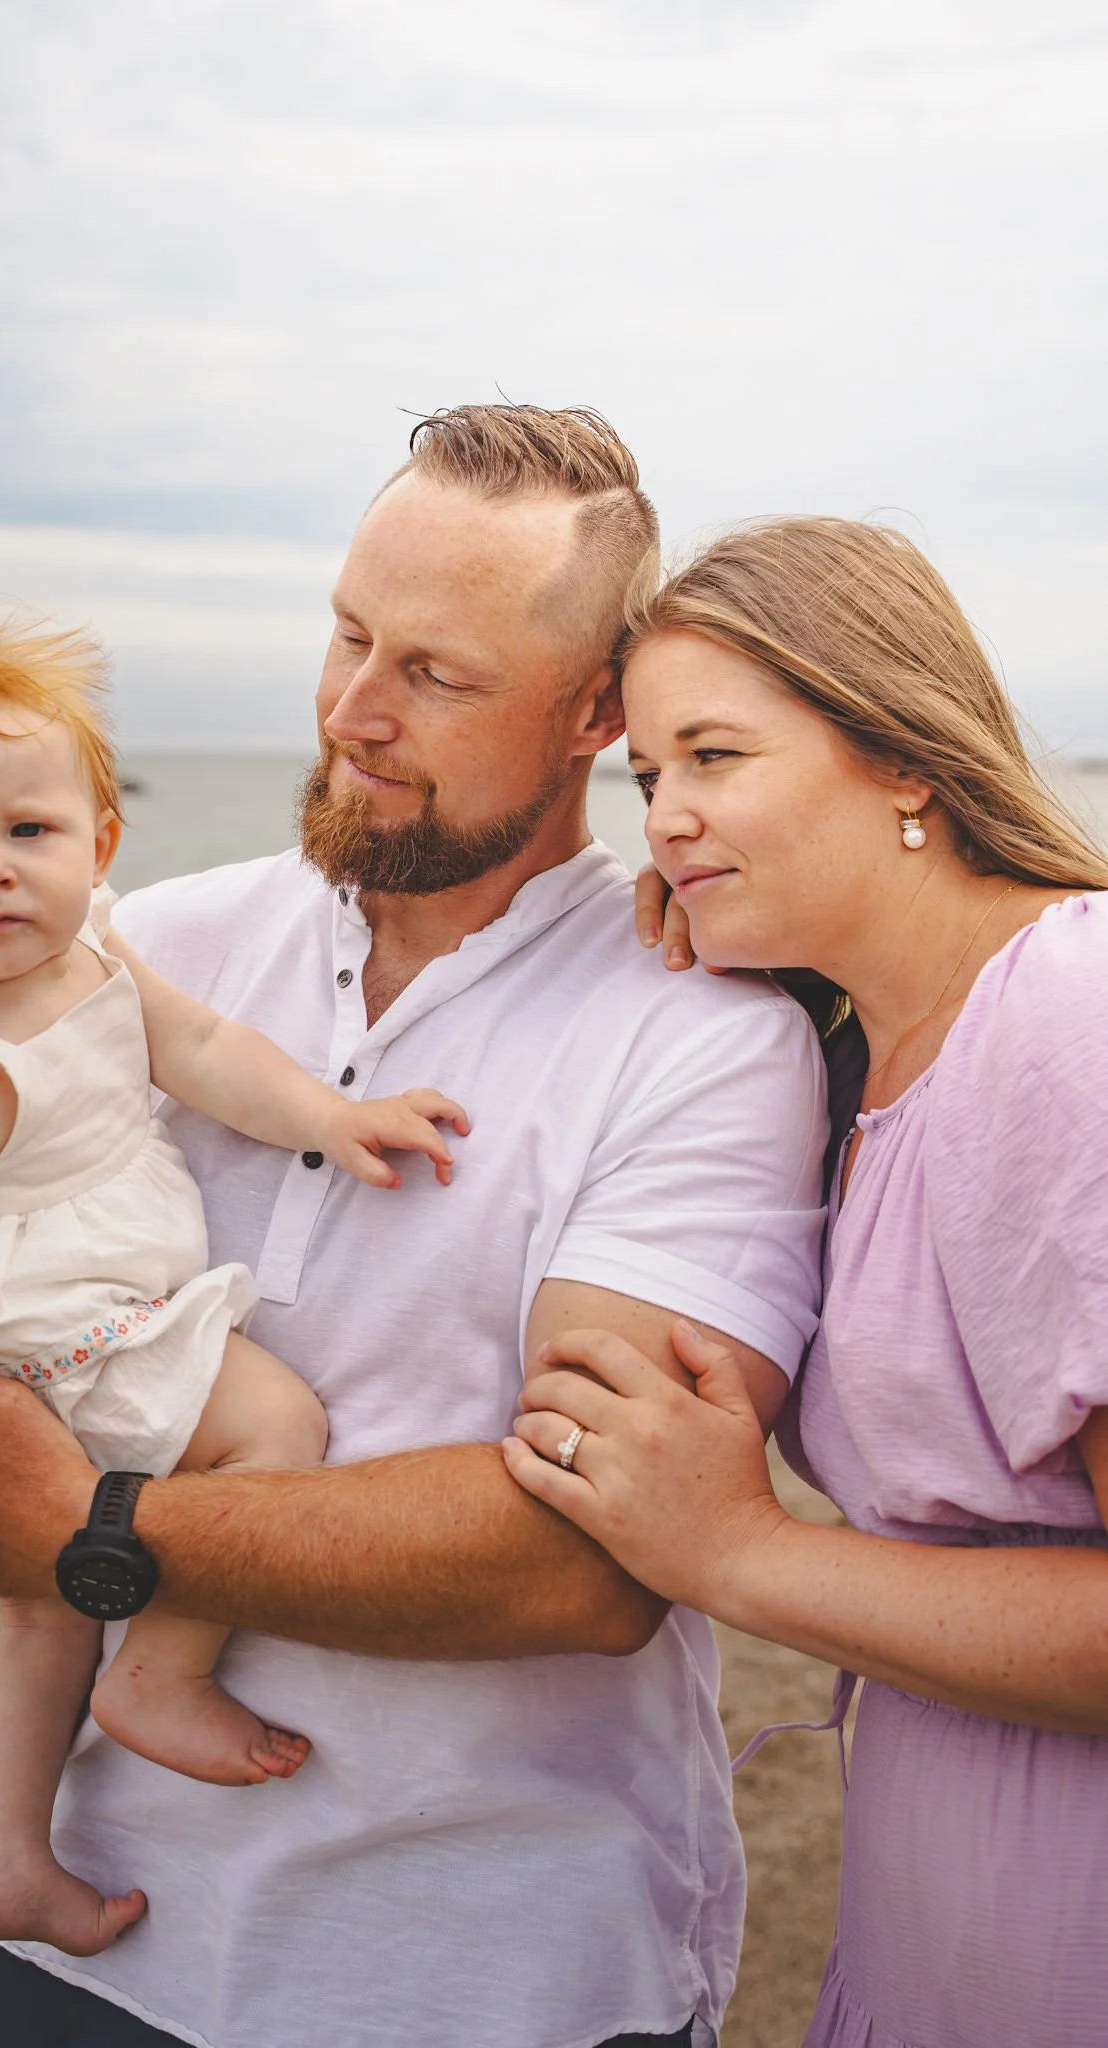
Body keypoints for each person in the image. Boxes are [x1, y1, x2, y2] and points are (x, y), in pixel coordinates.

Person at [0, 406, 830, 2048]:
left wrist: (90, 1522)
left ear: (592, 712)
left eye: (438, 676)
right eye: (346, 634)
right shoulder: (139, 947)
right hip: (81, 1916)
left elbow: (589, 1558)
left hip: (484, 1960)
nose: (352, 710)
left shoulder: (705, 1034)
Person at [506, 515, 1108, 2048]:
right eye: (648, 779)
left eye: (718, 757)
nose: (668, 824)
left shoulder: (1065, 1020)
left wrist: (738, 1554)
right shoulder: (876, 1047)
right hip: (942, 1913)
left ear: (905, 758)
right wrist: (765, 955)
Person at [0, 608, 465, 1959]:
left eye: (25, 834)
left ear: (98, 843)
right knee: (276, 1425)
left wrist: (330, 1118)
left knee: (42, 1626)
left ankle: (1, 1861)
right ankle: (162, 1672)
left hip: (93, 1320)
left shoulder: (92, 959)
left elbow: (207, 1051)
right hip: (58, 1338)